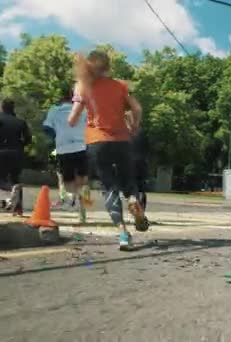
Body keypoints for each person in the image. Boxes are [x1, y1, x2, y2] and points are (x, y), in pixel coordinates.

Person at [68, 50, 146, 250]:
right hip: (121, 140)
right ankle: (133, 199)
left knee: (109, 186)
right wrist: (135, 126)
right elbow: (137, 109)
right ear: (108, 67)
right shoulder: (120, 86)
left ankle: (122, 233)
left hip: (97, 142)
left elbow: (72, 118)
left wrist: (76, 119)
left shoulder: (84, 87)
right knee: (128, 181)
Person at [43, 88, 92, 222]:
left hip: (63, 148)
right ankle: (84, 205)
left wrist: (58, 136)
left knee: (68, 181)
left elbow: (46, 128)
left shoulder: (54, 109)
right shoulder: (83, 108)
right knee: (83, 179)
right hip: (82, 146)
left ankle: (73, 198)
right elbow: (91, 125)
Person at [0, 98, 31, 216]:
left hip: (1, 152)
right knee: (16, 178)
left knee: (1, 180)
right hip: (17, 153)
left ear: (2, 107)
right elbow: (28, 139)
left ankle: (11, 188)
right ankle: (19, 209)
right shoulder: (20, 122)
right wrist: (19, 145)